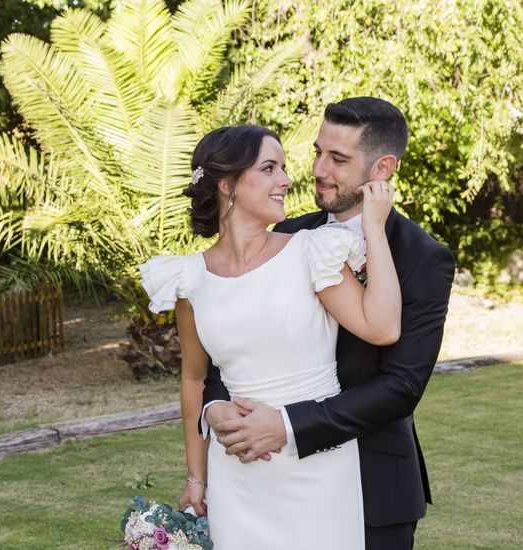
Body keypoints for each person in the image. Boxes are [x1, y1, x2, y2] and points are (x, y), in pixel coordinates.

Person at [200, 97, 456, 549]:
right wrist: (215, 406)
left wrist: (289, 426)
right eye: (318, 152)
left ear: (383, 169)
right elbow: (231, 338)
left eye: (338, 159)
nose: (318, 169)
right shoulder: (286, 235)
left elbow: (401, 385)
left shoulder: (424, 258)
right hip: (266, 479)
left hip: (372, 484)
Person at [139, 124, 402, 549]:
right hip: (238, 474)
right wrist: (196, 477)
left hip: (318, 469)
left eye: (283, 167)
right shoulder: (188, 278)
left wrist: (374, 228)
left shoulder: (310, 252)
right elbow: (193, 379)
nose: (287, 179)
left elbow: (383, 327)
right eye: (269, 168)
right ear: (228, 184)